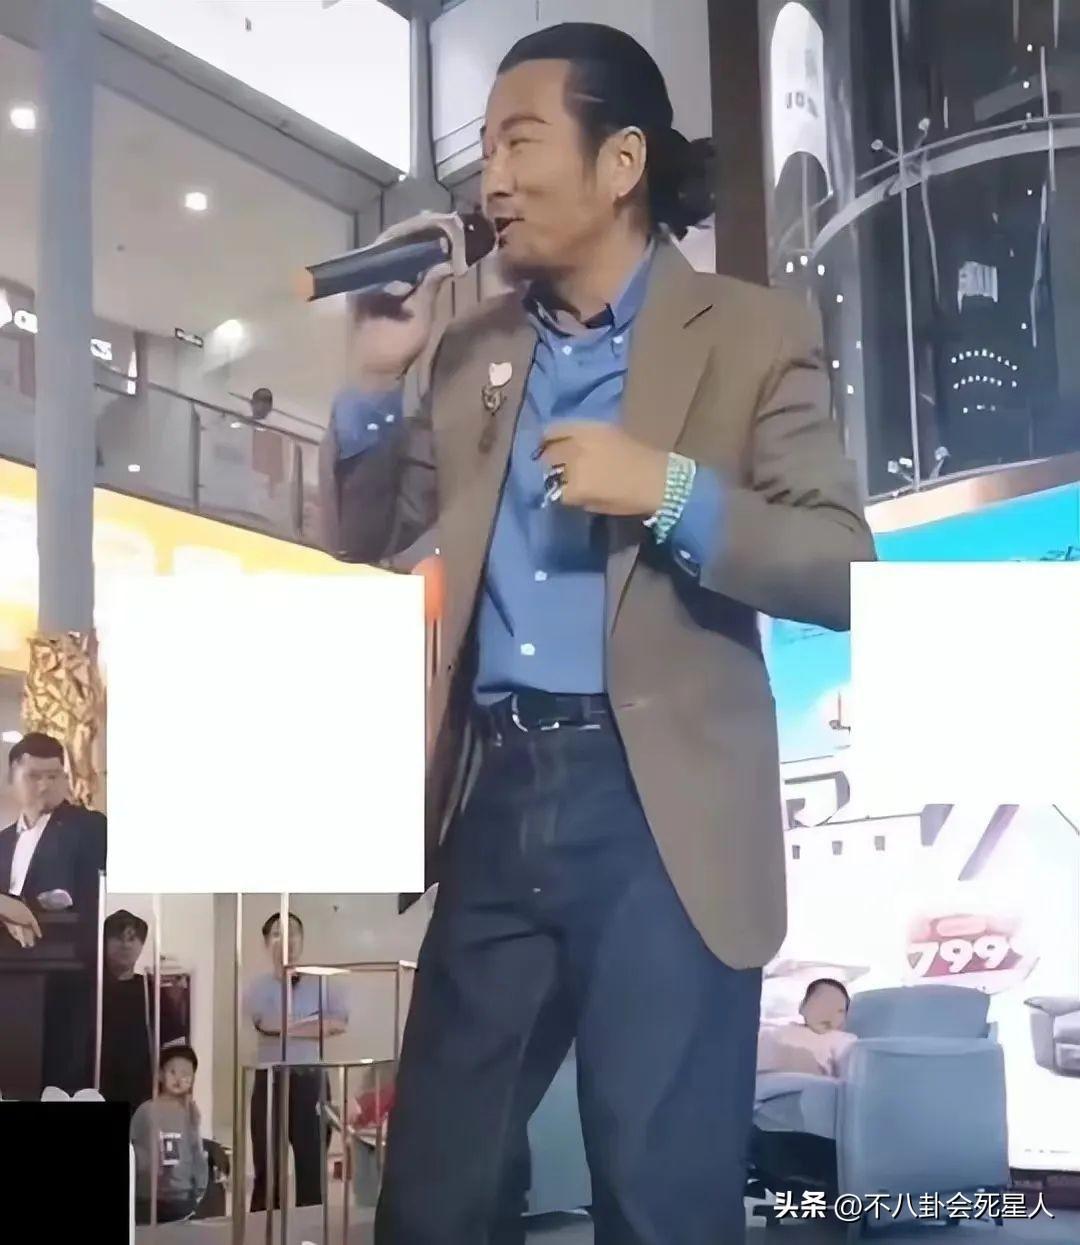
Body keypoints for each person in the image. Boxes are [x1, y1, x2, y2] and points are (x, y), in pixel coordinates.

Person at [321, 22, 874, 1245]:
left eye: (520, 144)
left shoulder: (750, 332)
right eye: (485, 152)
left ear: (621, 162)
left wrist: (669, 491)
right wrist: (371, 382)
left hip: (659, 811)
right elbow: (368, 533)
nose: (492, 181)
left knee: (658, 1195)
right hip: (497, 797)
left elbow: (843, 567)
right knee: (435, 1192)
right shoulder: (472, 349)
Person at [0, 732, 107, 1092]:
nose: (45, 785)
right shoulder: (2, 841)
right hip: (9, 981)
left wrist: (28, 908)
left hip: (67, 978)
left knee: (62, 1081)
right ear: (12, 778)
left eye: (54, 775)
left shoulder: (88, 827)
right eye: (34, 776)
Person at [244, 911, 349, 1212]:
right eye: (278, 934)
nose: (287, 940)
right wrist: (312, 1023)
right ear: (267, 943)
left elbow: (337, 1024)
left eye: (293, 933)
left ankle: (310, 1228)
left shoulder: (321, 983)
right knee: (268, 1165)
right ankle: (263, 1229)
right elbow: (266, 1024)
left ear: (302, 940)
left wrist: (289, 1027)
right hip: (270, 1078)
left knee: (312, 1164)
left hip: (309, 1078)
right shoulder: (256, 987)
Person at [100, 909, 187, 1117]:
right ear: (103, 942)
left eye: (133, 938)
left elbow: (175, 1044)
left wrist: (176, 1091)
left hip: (141, 1097)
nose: (126, 945)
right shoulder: (90, 986)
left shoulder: (150, 990)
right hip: (95, 1090)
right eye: (118, 937)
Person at [130, 1044, 208, 1225]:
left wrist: (200, 1186)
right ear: (160, 1074)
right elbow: (133, 1150)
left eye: (186, 1075)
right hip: (147, 1195)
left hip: (181, 1196)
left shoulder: (191, 1112)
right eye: (173, 1072)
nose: (179, 1079)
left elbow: (196, 1149)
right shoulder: (146, 1110)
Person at [757, 978, 857, 1078]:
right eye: (823, 1005)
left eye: (840, 1011)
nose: (830, 1014)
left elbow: (851, 1074)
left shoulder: (840, 1040)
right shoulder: (772, 1032)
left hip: (810, 1085)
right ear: (802, 1007)